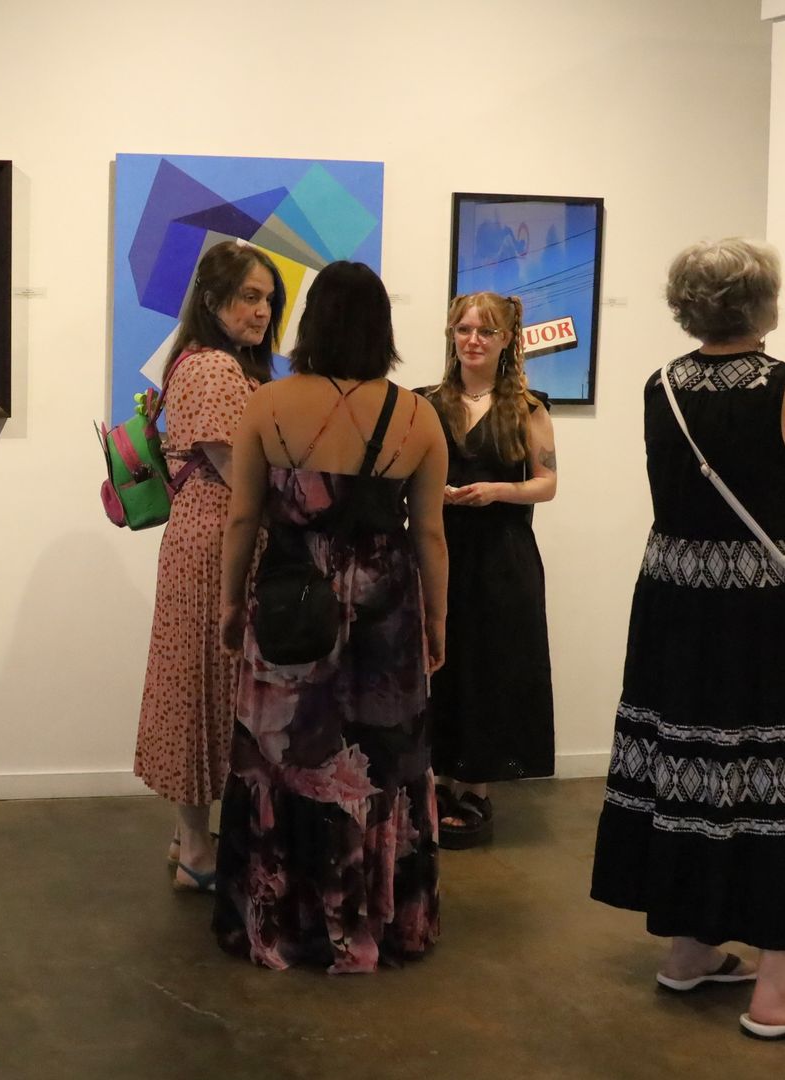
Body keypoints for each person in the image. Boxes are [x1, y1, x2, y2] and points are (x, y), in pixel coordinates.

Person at [590, 239, 785, 1040]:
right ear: (764, 303)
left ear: (688, 306)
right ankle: (778, 991)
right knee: (776, 779)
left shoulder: (662, 386)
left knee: (687, 769)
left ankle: (690, 950)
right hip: (759, 620)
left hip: (673, 607)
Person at [213, 260, 448, 971]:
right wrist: (438, 619)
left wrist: (229, 602)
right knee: (381, 763)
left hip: (291, 603)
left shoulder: (269, 403)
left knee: (285, 759)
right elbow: (431, 534)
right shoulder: (418, 416)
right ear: (383, 328)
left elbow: (244, 515)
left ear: (311, 321)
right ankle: (378, 926)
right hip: (388, 613)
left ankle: (282, 925)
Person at [133, 240, 282, 893]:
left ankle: (186, 833)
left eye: (270, 298)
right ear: (215, 298)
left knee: (200, 686)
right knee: (202, 692)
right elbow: (239, 473)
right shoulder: (217, 372)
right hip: (216, 546)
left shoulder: (201, 363)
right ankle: (197, 850)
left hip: (204, 541)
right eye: (250, 296)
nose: (262, 310)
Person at [419, 293, 558, 848]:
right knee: (438, 663)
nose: (472, 339)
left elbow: (546, 483)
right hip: (441, 549)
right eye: (463, 329)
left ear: (507, 339)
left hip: (503, 554)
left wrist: (496, 492)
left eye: (485, 330)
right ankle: (434, 777)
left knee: (491, 667)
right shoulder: (428, 402)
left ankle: (475, 786)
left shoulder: (527, 406)